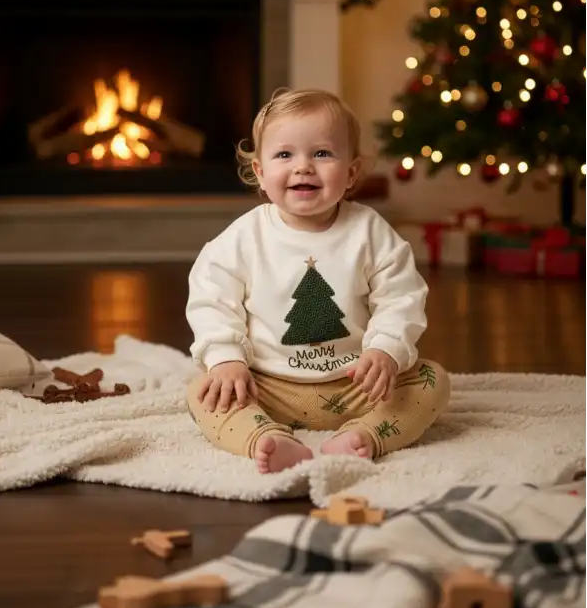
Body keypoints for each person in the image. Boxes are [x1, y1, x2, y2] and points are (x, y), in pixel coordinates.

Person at [185, 88, 450, 474]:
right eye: (284, 154)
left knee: (433, 381)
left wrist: (387, 350)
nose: (304, 166)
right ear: (260, 172)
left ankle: (365, 435)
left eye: (322, 153)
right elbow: (212, 300)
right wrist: (226, 359)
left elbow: (401, 297)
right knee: (203, 391)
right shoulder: (243, 238)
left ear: (352, 172)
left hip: (357, 384)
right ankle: (264, 438)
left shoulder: (370, 232)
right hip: (269, 384)